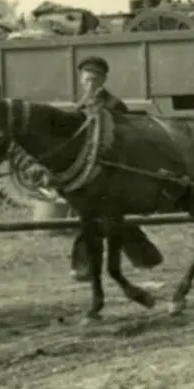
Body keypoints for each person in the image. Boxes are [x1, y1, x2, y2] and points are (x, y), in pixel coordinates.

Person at [69, 56, 162, 282]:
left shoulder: (114, 105)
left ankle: (83, 265)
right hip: (91, 170)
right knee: (105, 216)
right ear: (81, 80)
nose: (90, 84)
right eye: (86, 79)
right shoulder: (80, 104)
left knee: (95, 214)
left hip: (115, 168)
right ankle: (145, 256)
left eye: (94, 80)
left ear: (102, 80)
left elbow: (127, 139)